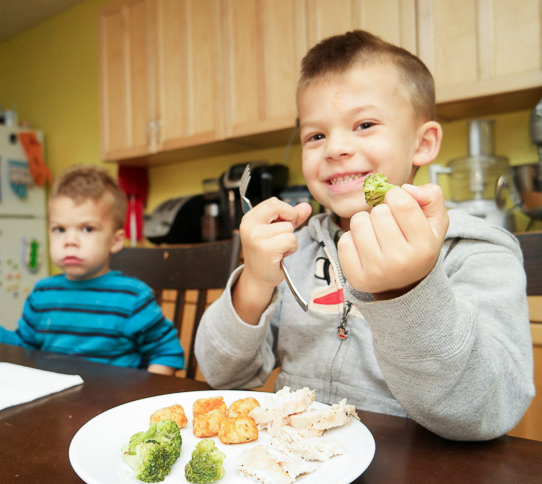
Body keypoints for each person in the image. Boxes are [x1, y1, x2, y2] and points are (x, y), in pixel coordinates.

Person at [194, 30, 534, 440]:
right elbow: (222, 375)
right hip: (293, 457)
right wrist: (254, 281)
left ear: (423, 144)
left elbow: (483, 413)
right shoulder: (295, 249)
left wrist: (411, 289)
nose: (335, 147)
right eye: (315, 135)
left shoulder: (477, 251)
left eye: (364, 124)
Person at [0, 165, 185, 375]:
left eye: (87, 229)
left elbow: (167, 352)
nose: (70, 240)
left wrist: (140, 396)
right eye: (59, 229)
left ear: (116, 240)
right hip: (54, 407)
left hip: (113, 409)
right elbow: (24, 346)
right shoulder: (42, 294)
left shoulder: (133, 297)